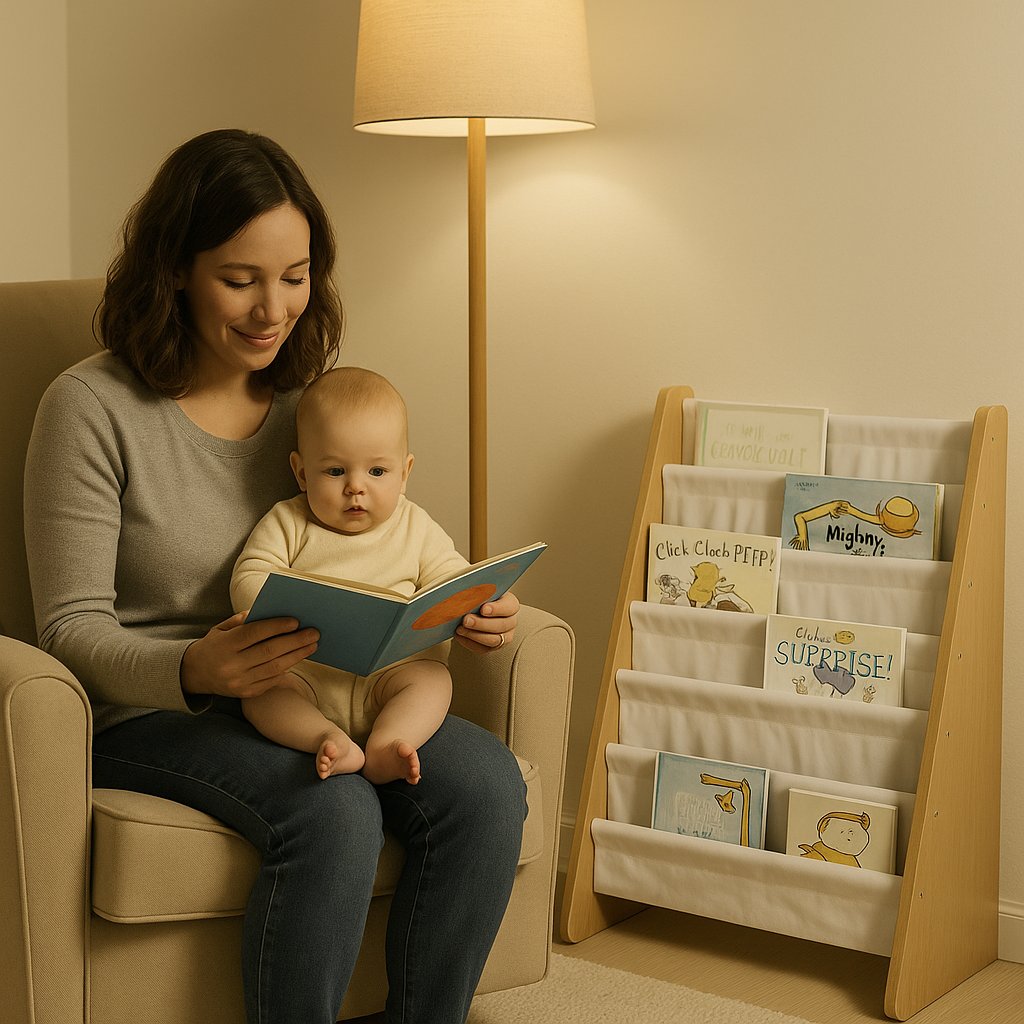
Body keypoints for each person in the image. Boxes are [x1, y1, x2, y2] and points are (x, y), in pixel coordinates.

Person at [24, 128, 525, 1024]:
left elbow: (395, 545)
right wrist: (194, 670)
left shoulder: (313, 413)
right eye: (241, 279)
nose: (272, 309)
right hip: (154, 712)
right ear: (175, 268)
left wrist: (467, 607)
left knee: (486, 786)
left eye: (294, 277)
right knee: (333, 816)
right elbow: (67, 626)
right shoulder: (90, 409)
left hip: (329, 687)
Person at [231, 366, 470, 786]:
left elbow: (452, 578)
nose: (355, 487)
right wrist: (278, 606)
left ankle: (390, 742)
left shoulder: (416, 527)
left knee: (434, 680)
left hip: (391, 675)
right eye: (336, 471)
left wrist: (480, 603)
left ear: (405, 472)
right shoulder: (290, 521)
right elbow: (250, 575)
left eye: (377, 472)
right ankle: (326, 737)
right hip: (306, 673)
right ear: (302, 473)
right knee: (263, 693)